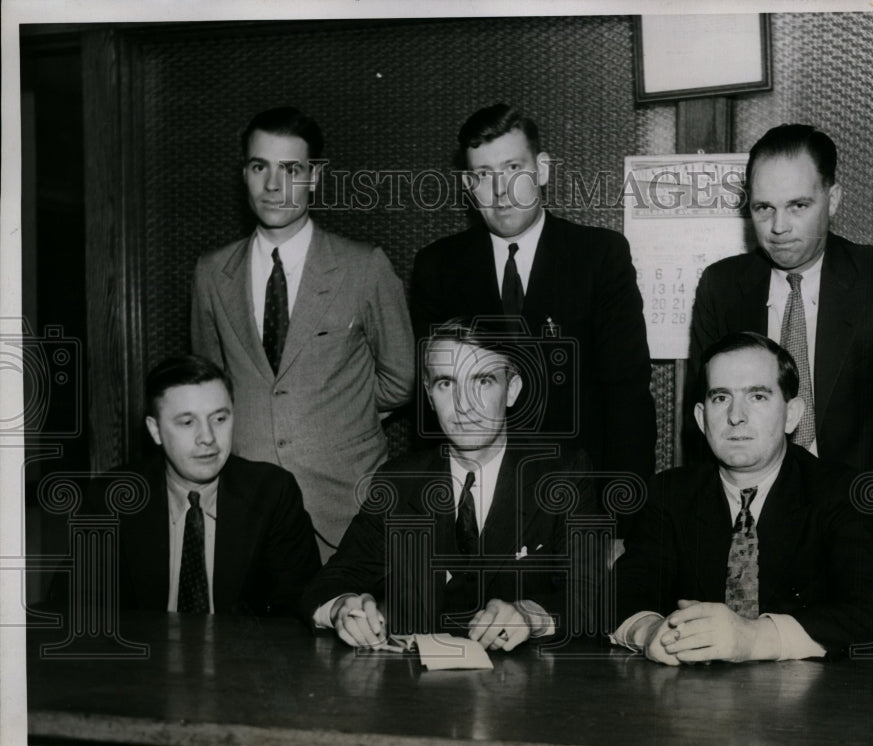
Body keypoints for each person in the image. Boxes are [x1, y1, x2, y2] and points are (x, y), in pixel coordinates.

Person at [685, 124, 873, 609]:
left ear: (834, 198)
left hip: (863, 533)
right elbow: (702, 427)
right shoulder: (721, 287)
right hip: (752, 535)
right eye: (764, 208)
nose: (778, 226)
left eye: (798, 206)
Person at [410, 103, 654, 533]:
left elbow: (628, 401)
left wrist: (623, 523)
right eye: (483, 175)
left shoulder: (599, 256)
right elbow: (432, 409)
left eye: (513, 168)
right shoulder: (437, 267)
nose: (500, 190)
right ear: (468, 184)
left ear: (541, 169)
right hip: (477, 509)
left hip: (579, 504)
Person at [191, 106, 414, 555]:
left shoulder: (364, 265)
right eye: (260, 167)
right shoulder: (212, 273)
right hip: (248, 512)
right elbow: (209, 387)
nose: (273, 186)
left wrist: (338, 410)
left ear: (314, 176)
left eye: (291, 169)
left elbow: (400, 378)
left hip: (346, 509)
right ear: (245, 174)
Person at [299, 319, 598, 651]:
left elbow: (591, 594)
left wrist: (531, 615)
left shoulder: (562, 474)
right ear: (429, 394)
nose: (463, 403)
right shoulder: (400, 482)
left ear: (511, 390)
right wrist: (344, 607)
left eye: (483, 381)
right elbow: (332, 580)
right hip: (417, 692)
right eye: (446, 383)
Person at [614, 332, 873, 664]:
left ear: (792, 414)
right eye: (720, 398)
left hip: (812, 705)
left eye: (757, 396)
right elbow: (623, 594)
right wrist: (651, 631)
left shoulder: (840, 491)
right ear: (701, 418)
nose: (735, 416)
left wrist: (754, 638)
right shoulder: (669, 494)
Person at [78, 355, 321, 616]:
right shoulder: (109, 497)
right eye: (187, 422)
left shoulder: (273, 492)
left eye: (219, 419)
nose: (207, 437)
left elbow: (300, 606)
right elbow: (80, 610)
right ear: (155, 430)